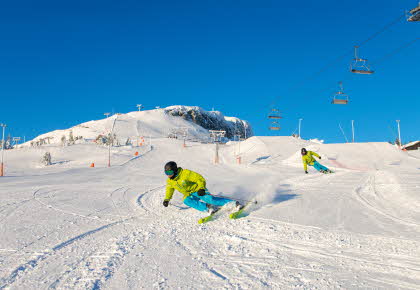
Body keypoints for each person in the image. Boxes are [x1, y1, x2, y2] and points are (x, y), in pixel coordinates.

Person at [162, 161, 238, 214]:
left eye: (169, 172)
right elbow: (169, 190)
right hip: (189, 194)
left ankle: (234, 203)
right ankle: (207, 208)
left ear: (175, 171)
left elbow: (199, 178)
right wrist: (167, 199)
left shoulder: (185, 173)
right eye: (166, 173)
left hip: (198, 190)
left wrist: (201, 188)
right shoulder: (170, 181)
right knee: (186, 200)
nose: (168, 175)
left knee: (210, 199)